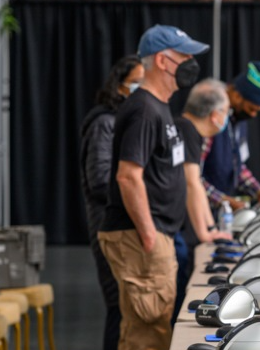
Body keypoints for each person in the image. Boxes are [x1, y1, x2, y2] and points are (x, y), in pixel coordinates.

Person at [97, 24, 209, 350]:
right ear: (162, 60)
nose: (191, 62)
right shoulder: (145, 109)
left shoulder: (158, 106)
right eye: (184, 56)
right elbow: (127, 176)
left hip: (155, 236)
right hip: (142, 238)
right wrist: (149, 235)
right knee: (147, 337)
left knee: (150, 330)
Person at [79, 55, 143, 350]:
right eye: (136, 82)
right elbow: (101, 181)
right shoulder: (105, 123)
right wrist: (140, 193)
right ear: (119, 87)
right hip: (110, 229)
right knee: (118, 307)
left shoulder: (127, 122)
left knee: (128, 310)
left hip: (125, 227)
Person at [172, 79, 234, 322]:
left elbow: (195, 182)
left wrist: (212, 229)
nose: (227, 117)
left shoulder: (186, 130)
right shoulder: (186, 130)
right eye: (227, 111)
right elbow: (192, 183)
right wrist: (206, 232)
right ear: (215, 113)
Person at [201, 61, 260, 217]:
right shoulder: (212, 119)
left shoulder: (239, 121)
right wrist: (225, 201)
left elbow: (238, 166)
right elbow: (190, 176)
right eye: (251, 109)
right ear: (236, 95)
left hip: (219, 216)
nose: (253, 115)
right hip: (197, 214)